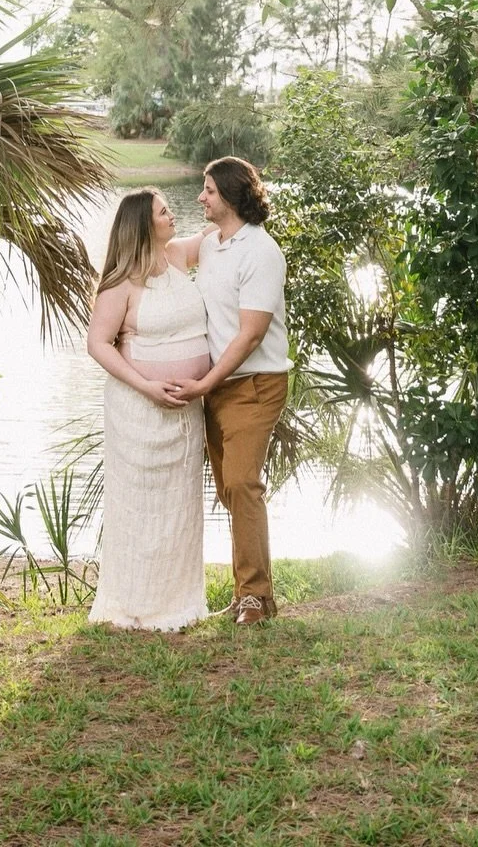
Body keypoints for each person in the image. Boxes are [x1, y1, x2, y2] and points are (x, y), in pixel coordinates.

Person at [164, 156, 290, 624]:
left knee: (241, 484)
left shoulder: (261, 252)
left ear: (232, 196)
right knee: (228, 490)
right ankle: (245, 594)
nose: (201, 197)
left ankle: (257, 597)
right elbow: (165, 252)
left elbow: (251, 334)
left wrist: (204, 383)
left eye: (210, 190)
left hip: (255, 384)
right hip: (218, 387)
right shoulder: (212, 243)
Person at [85, 188, 211, 631]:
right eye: (164, 212)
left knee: (179, 506)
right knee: (140, 507)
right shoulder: (121, 283)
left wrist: (238, 195)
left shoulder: (177, 256)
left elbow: (218, 232)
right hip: (138, 412)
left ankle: (177, 602)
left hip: (185, 415)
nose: (173, 216)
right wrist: (147, 387)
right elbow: (98, 344)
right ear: (143, 225)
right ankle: (136, 604)